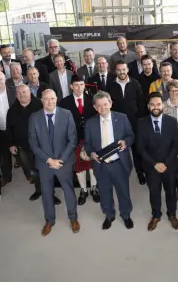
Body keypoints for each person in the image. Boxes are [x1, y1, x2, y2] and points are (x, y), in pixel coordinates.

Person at [28, 89, 79, 236]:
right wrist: (49, 160)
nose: (49, 102)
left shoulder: (67, 114)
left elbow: (72, 140)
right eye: (46, 99)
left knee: (68, 190)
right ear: (41, 100)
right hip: (45, 163)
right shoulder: (34, 118)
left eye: (52, 99)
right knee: (46, 192)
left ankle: (73, 218)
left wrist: (60, 160)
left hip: (63, 162)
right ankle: (49, 220)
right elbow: (33, 143)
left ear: (57, 99)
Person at [84, 91, 135, 230]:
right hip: (101, 165)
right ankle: (109, 215)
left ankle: (126, 215)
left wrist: (125, 142)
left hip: (119, 163)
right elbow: (87, 144)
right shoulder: (90, 123)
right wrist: (91, 153)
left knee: (123, 191)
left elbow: (131, 135)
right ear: (94, 107)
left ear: (111, 103)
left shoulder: (122, 118)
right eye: (99, 106)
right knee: (105, 192)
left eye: (105, 104)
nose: (103, 108)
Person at [6, 85, 61, 203]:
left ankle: (51, 194)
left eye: (24, 92)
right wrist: (11, 144)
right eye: (19, 93)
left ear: (30, 92)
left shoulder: (40, 105)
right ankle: (39, 190)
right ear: (16, 95)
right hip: (23, 147)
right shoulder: (12, 110)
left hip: (42, 147)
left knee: (46, 171)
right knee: (32, 171)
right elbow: (9, 128)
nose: (22, 95)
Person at [137, 92, 178, 231]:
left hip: (169, 165)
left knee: (170, 191)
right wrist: (155, 164)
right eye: (152, 104)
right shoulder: (141, 123)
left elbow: (176, 145)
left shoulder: (172, 121)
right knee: (154, 192)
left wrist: (166, 163)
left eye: (158, 104)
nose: (155, 107)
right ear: (148, 106)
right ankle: (156, 215)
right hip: (151, 167)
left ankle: (172, 214)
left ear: (162, 105)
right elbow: (140, 148)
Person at [60, 75, 99, 205]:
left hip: (90, 138)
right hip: (74, 140)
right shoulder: (64, 102)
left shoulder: (92, 100)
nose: (79, 87)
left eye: (82, 84)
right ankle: (83, 189)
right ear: (71, 86)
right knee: (79, 167)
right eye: (76, 85)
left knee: (92, 165)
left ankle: (94, 188)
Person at [107, 61, 146, 185]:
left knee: (136, 148)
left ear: (127, 69)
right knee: (119, 147)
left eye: (123, 69)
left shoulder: (135, 83)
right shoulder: (111, 85)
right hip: (118, 123)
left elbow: (141, 103)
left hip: (134, 121)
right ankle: (120, 172)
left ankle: (140, 171)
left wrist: (140, 121)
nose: (122, 72)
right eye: (119, 70)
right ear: (115, 71)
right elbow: (109, 106)